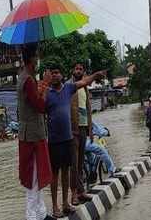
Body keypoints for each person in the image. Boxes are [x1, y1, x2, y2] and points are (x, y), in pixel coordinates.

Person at [45, 64, 106, 216]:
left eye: (57, 72)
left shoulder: (68, 89)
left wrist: (95, 75)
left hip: (69, 137)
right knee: (55, 174)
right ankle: (55, 206)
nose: (55, 75)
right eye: (52, 73)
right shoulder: (46, 93)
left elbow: (84, 82)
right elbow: (38, 107)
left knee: (67, 170)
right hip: (54, 140)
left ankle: (66, 203)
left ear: (61, 75)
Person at [17, 44, 55, 220]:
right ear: (32, 59)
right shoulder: (29, 80)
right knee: (33, 180)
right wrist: (46, 83)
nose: (38, 59)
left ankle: (40, 213)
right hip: (32, 137)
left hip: (30, 135)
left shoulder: (24, 77)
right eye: (37, 56)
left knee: (36, 177)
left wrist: (40, 86)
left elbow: (33, 100)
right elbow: (41, 106)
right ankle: (33, 216)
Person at [67, 62, 100, 205]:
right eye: (76, 68)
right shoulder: (68, 86)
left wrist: (90, 129)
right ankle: (73, 194)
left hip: (83, 128)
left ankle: (81, 192)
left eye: (80, 69)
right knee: (73, 164)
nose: (78, 71)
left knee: (81, 162)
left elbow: (87, 108)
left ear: (83, 72)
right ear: (72, 70)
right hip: (72, 129)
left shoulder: (85, 87)